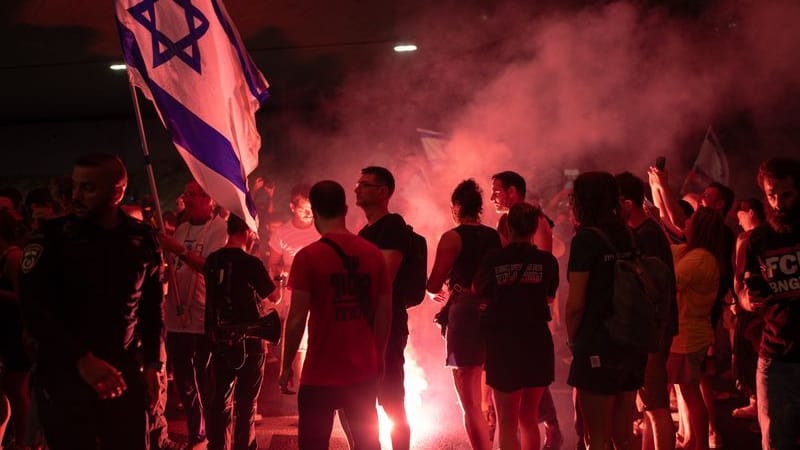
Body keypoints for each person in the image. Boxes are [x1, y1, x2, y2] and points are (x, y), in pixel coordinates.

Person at [18, 153, 165, 449]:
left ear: (117, 191)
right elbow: (34, 312)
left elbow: (151, 308)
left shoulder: (141, 239)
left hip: (122, 371)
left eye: (88, 188)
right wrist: (81, 359)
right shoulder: (52, 239)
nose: (77, 196)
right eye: (75, 186)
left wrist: (153, 363)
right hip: (65, 373)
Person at [279, 180, 391, 450]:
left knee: (314, 444)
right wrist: (378, 359)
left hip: (320, 372)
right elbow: (384, 314)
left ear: (315, 212)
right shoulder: (373, 254)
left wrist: (285, 367)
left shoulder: (308, 257)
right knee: (367, 443)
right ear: (345, 209)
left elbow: (296, 320)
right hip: (362, 370)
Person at [565, 171, 647, 450]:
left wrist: (573, 341)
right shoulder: (628, 234)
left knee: (597, 438)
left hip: (597, 342)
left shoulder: (585, 240)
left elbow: (576, 303)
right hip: (631, 340)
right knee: (623, 436)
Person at [474, 202, 559, 450]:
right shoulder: (547, 262)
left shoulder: (493, 259)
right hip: (537, 343)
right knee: (529, 417)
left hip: (504, 344)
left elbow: (480, 292)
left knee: (507, 421)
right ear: (534, 228)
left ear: (508, 226)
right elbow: (549, 297)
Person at [490, 170, 563, 449]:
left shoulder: (537, 221)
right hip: (508, 318)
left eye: (497, 190)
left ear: (512, 191)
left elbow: (544, 267)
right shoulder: (504, 221)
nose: (493, 197)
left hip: (530, 316)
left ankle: (553, 426)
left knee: (528, 390)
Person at [427, 179, 501, 450]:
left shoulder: (452, 238)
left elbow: (433, 284)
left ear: (456, 207)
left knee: (468, 398)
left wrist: (439, 292)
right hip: (493, 312)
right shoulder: (494, 236)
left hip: (466, 315)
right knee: (490, 392)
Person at [159, 180, 228, 448]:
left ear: (208, 198)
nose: (187, 199)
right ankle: (195, 431)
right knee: (185, 384)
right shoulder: (182, 228)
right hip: (177, 318)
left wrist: (179, 251)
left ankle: (214, 434)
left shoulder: (218, 229)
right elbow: (178, 264)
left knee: (206, 381)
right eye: (185, 194)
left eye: (193, 195)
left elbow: (210, 267)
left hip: (202, 317)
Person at [737, 157, 800, 450]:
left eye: (785, 194)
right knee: (775, 442)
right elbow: (743, 292)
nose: (778, 203)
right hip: (776, 357)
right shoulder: (757, 240)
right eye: (771, 195)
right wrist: (748, 301)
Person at [616, 172, 678, 450]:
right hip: (649, 330)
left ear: (627, 203)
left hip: (652, 331)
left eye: (614, 202)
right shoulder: (643, 231)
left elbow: (654, 287)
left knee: (655, 406)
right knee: (648, 406)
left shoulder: (647, 234)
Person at [204, 214, 275, 450]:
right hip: (251, 342)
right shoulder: (252, 263)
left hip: (220, 341)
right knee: (246, 406)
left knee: (220, 402)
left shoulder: (212, 260)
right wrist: (281, 282)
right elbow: (274, 297)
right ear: (246, 231)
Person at [354, 166, 412, 450]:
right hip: (360, 325)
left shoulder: (393, 226)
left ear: (383, 191)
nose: (357, 189)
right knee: (359, 399)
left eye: (364, 184)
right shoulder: (363, 232)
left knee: (390, 400)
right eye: (358, 184)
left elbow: (384, 278)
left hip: (386, 326)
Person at [668, 207, 725, 450]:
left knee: (661, 397)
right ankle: (698, 444)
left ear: (698, 227)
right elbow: (670, 248)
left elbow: (669, 284)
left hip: (685, 336)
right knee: (690, 393)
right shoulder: (698, 254)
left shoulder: (699, 258)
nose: (686, 222)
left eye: (690, 220)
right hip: (692, 333)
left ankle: (695, 443)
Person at [731, 198, 767, 420]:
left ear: (751, 213)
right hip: (763, 306)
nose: (739, 222)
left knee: (751, 355)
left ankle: (759, 403)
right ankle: (758, 403)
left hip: (751, 305)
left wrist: (738, 298)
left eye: (740, 217)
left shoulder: (747, 239)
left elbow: (739, 276)